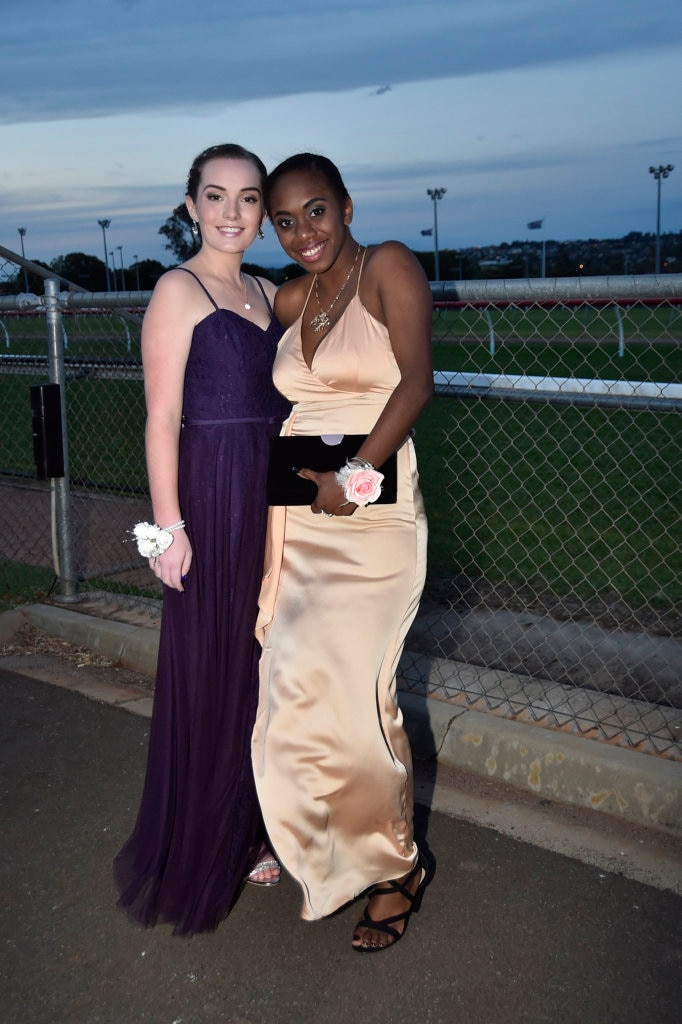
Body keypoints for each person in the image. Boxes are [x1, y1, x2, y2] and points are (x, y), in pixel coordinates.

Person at [252, 153, 434, 952]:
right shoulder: (292, 297)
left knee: (364, 698)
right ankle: (324, 845)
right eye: (285, 222)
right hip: (298, 518)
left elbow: (417, 381)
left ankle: (397, 868)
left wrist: (354, 475)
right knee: (292, 690)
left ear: (347, 206)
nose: (302, 234)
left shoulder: (388, 265)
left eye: (315, 212)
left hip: (373, 515)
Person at [114, 144, 290, 934]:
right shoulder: (175, 291)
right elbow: (159, 420)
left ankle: (256, 823)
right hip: (211, 500)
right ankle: (205, 839)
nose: (230, 212)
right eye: (214, 196)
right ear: (190, 206)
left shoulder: (272, 291)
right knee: (214, 669)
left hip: (274, 501)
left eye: (247, 198)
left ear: (262, 211)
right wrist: (167, 529)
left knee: (268, 672)